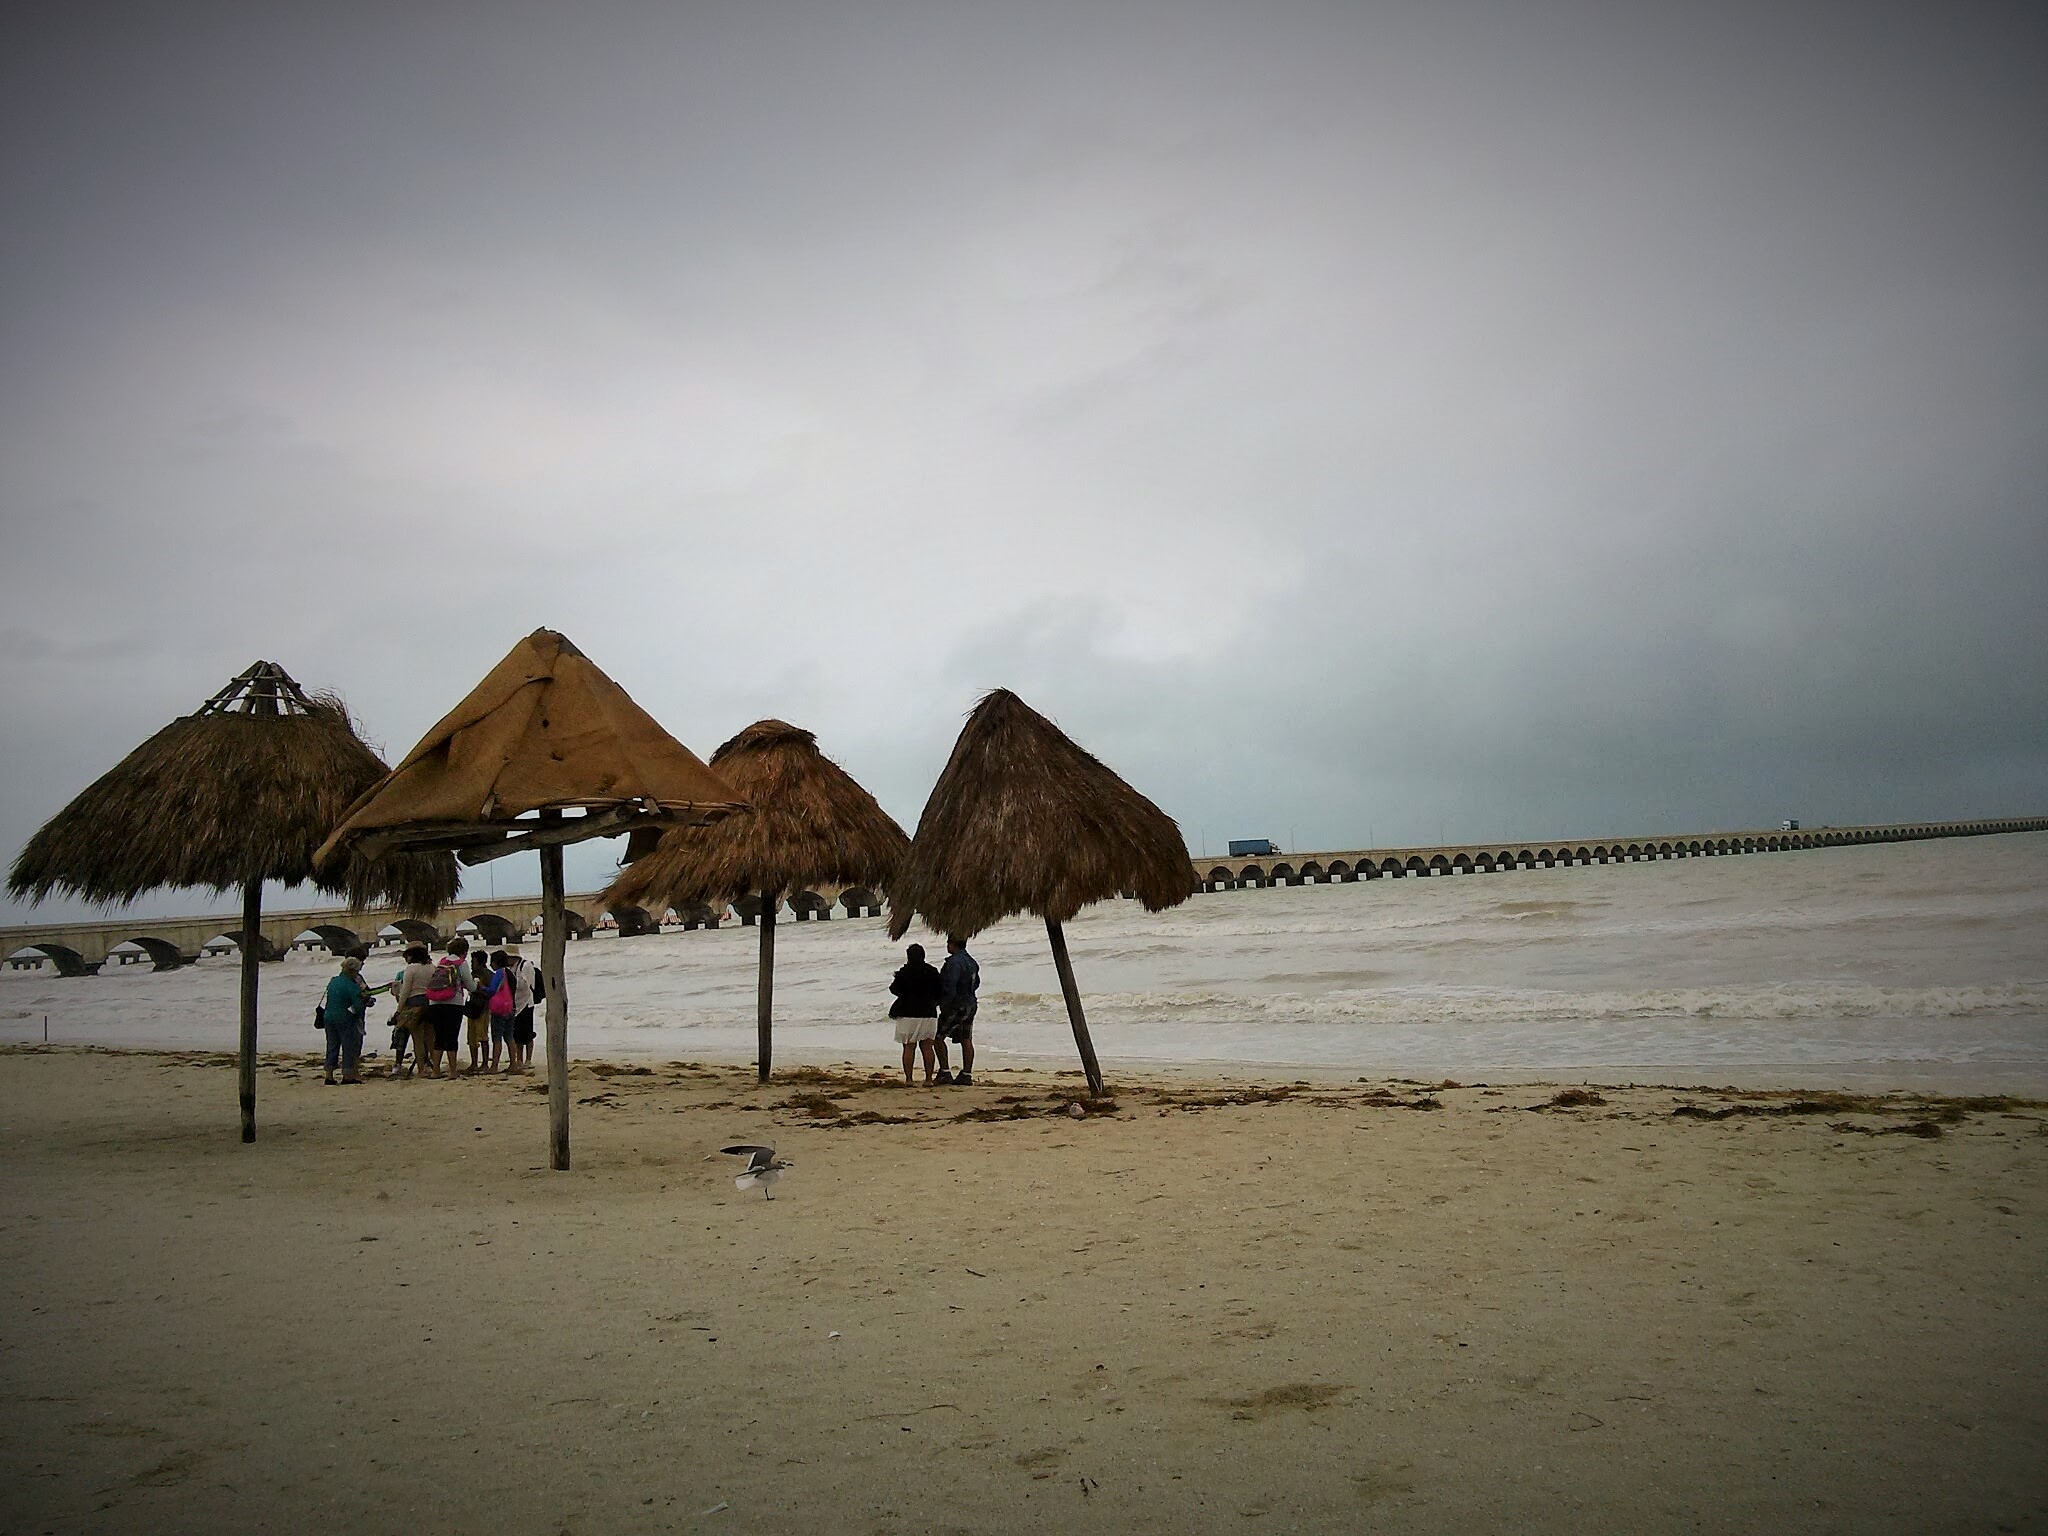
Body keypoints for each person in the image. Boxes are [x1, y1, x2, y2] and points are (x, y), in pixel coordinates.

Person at [888, 943, 942, 1085]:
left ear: (908, 957)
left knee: (908, 1047)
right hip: (928, 1012)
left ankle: (909, 1079)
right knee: (927, 1047)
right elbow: (941, 991)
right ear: (923, 956)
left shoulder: (904, 972)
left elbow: (894, 989)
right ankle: (928, 1079)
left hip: (907, 1013)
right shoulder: (932, 971)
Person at [421, 939, 471, 1080]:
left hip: (435, 1003)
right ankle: (453, 1071)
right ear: (464, 951)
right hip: (453, 1003)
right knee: (451, 1037)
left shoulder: (442, 962)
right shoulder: (461, 963)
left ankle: (436, 1070)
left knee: (439, 1037)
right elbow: (470, 985)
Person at [934, 934, 980, 1086]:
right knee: (966, 1039)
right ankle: (966, 1073)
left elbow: (950, 985)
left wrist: (944, 1004)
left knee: (937, 1036)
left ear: (953, 944)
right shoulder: (972, 961)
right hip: (970, 1003)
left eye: (948, 943)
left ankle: (945, 1071)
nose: (947, 945)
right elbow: (976, 983)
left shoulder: (954, 962)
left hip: (957, 1004)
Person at [321, 955, 373, 1085]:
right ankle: (347, 1075)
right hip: (344, 1018)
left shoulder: (333, 981)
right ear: (353, 971)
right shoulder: (351, 985)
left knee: (332, 1045)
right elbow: (358, 1005)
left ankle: (329, 1075)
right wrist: (365, 1004)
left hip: (328, 1016)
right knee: (348, 1046)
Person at [389, 944, 437, 1078]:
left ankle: (421, 1069)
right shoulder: (432, 967)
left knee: (418, 1039)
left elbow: (405, 991)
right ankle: (435, 1067)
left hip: (414, 1003)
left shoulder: (411, 969)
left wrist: (399, 1009)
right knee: (430, 1038)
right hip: (430, 1002)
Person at [495, 943, 539, 1072]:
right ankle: (519, 1059)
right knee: (516, 1034)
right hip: (514, 1003)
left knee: (528, 1033)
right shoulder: (508, 969)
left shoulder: (526, 965)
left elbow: (527, 985)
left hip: (526, 1003)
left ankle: (528, 1059)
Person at [463, 943, 494, 1074]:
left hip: (483, 1008)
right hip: (472, 1006)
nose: (471, 964)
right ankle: (474, 1063)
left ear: (480, 962)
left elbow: (491, 993)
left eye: (473, 962)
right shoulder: (472, 973)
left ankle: (485, 1063)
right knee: (471, 1036)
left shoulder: (487, 974)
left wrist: (479, 988)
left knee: (482, 1035)